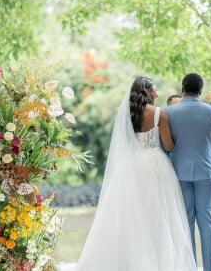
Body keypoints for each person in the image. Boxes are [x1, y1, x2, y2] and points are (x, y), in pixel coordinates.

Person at [76, 76, 196, 271]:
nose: (156, 94)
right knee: (159, 215)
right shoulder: (159, 114)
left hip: (130, 167)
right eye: (154, 90)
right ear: (147, 92)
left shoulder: (126, 115)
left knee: (131, 216)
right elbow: (168, 145)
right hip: (154, 166)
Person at [165, 73, 211, 271]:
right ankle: (210, 269)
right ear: (201, 90)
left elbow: (166, 146)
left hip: (179, 173)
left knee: (186, 221)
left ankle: (189, 267)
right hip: (206, 172)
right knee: (207, 222)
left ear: (183, 90)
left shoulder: (169, 112)